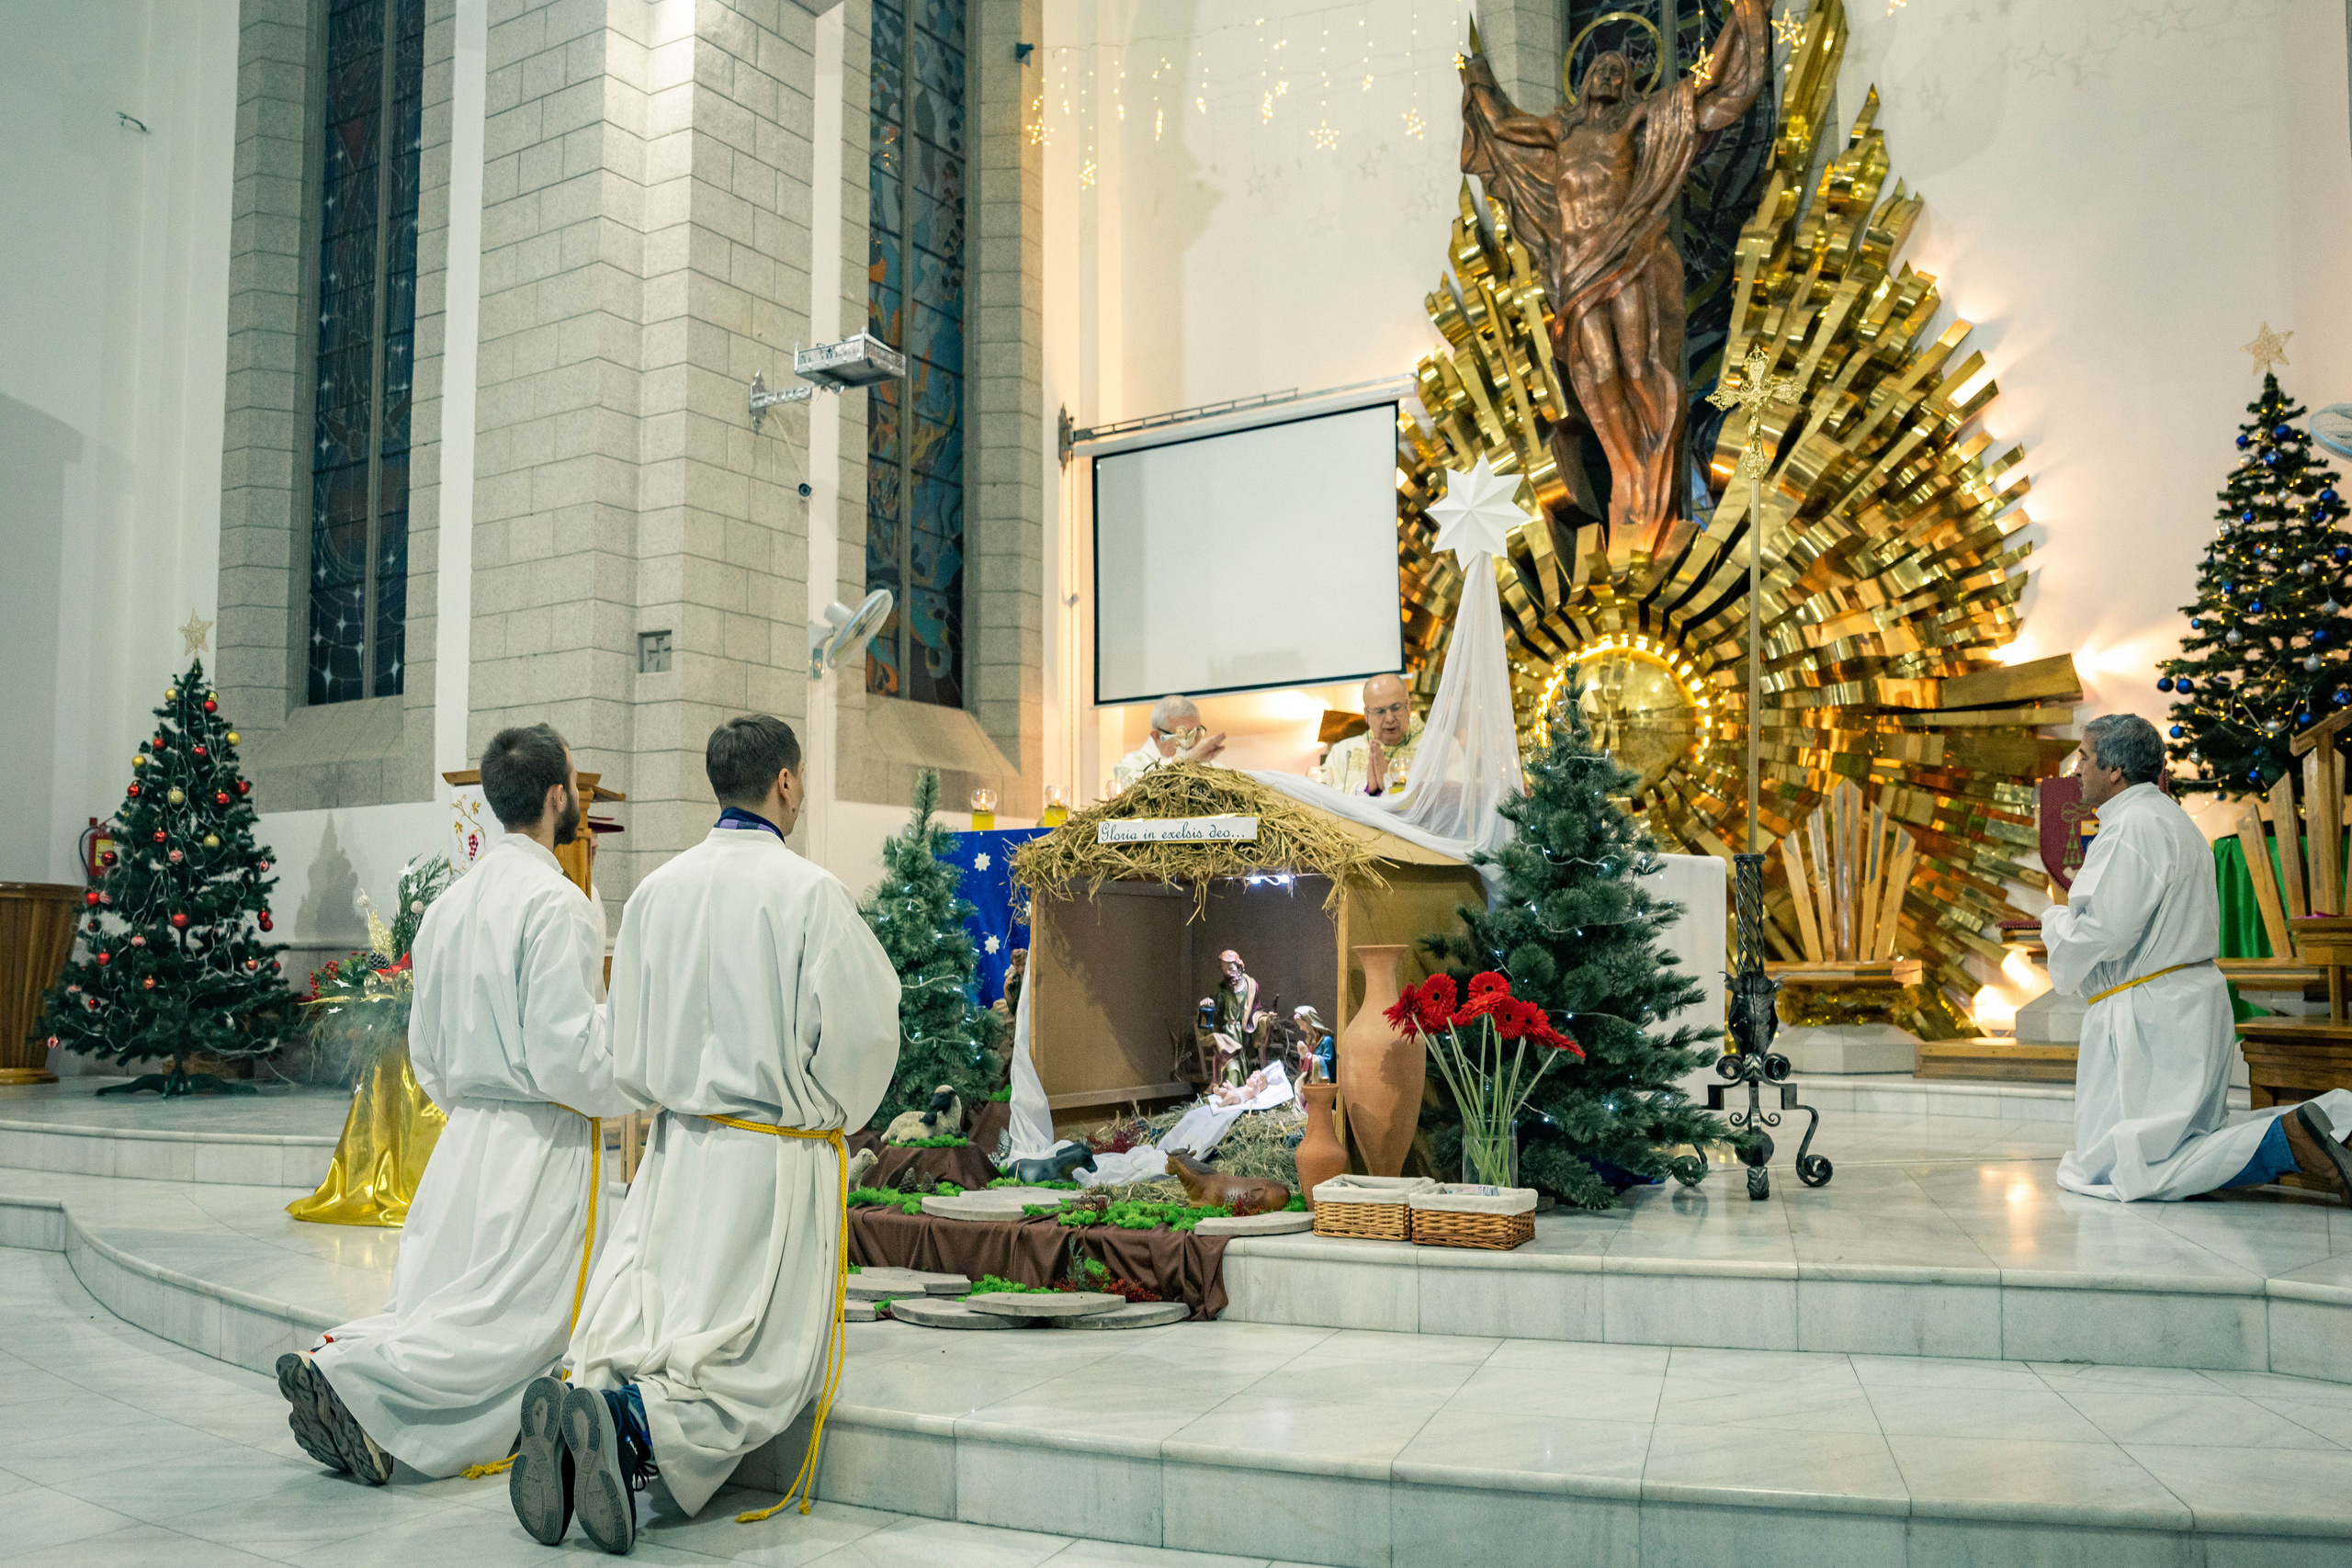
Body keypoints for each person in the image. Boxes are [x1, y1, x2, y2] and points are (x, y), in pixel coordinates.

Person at [510, 715, 901, 1554]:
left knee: (654, 1316)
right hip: (771, 1159)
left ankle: (587, 1396)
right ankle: (623, 1426)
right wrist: (832, 1108)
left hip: (677, 1147)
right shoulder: (809, 893)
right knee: (750, 1362)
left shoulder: (658, 889)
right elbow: (865, 1033)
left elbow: (623, 1039)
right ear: (786, 783)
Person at [277, 723, 636, 1484]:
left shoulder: (450, 905)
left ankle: (343, 1361)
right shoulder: (558, 904)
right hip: (538, 1145)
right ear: (555, 796)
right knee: (511, 1327)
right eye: (573, 785)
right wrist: (632, 1070)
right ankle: (360, 1382)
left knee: (446, 1302)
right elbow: (568, 1055)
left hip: (465, 1139)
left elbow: (428, 1054)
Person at [2048, 713, 2352, 1201]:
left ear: (2115, 771)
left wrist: (2054, 923)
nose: (2075, 769)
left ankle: (2287, 1141)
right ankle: (2336, 1122)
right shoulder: (2167, 818)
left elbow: (2105, 929)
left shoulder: (2132, 827)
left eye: (2083, 757)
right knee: (2172, 1142)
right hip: (2179, 999)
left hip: (2150, 1011)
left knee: (2131, 1166)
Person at [1321, 673, 1422, 797]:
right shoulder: (1342, 753)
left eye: (1396, 708)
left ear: (1408, 707)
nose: (1390, 719)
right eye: (1380, 711)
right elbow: (1324, 796)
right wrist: (1370, 790)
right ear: (1366, 715)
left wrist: (1390, 782)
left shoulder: (1437, 747)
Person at [1111, 694, 1226, 790]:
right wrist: (1185, 760)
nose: (1194, 741)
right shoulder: (1131, 764)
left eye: (1197, 732)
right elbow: (1134, 789)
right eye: (1185, 734)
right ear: (1157, 736)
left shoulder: (1211, 766)